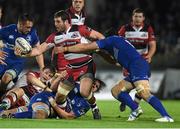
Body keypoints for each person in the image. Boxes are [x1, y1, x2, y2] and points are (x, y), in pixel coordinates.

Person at [54, 36, 174, 122]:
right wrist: (99, 52)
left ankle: (167, 116)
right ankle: (135, 109)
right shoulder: (117, 45)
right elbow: (111, 60)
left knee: (144, 93)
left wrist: (66, 49)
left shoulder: (110, 40)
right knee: (116, 91)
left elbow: (87, 46)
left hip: (138, 66)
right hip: (135, 68)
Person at [15, 10, 104, 119]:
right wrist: (24, 54)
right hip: (71, 69)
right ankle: (60, 114)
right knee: (60, 96)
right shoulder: (55, 37)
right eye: (54, 21)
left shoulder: (80, 29)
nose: (55, 24)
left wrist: (103, 48)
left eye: (58, 21)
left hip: (86, 65)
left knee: (84, 92)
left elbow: (100, 37)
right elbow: (39, 50)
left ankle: (94, 108)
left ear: (66, 21)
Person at [1, 78, 105, 119]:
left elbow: (68, 117)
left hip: (52, 107)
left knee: (29, 110)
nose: (93, 86)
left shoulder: (86, 104)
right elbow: (53, 88)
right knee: (42, 114)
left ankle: (4, 113)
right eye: (93, 83)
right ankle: (13, 116)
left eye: (96, 87)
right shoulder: (74, 85)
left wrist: (55, 105)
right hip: (46, 98)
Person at [117, 8, 156, 112]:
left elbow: (152, 45)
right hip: (129, 61)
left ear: (143, 18)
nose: (137, 19)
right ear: (132, 17)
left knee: (141, 85)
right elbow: (118, 43)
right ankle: (127, 100)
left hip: (142, 61)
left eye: (140, 17)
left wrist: (150, 55)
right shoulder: (125, 28)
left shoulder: (148, 29)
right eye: (136, 16)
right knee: (131, 84)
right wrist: (118, 58)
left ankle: (134, 105)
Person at [0, 13, 44, 96]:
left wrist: (42, 68)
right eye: (28, 27)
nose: (30, 29)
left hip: (17, 64)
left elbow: (39, 50)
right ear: (20, 25)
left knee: (6, 78)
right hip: (3, 61)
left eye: (31, 27)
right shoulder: (8, 30)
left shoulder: (32, 33)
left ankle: (1, 95)